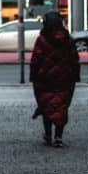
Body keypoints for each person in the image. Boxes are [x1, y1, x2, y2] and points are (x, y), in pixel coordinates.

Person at [29, 12, 80, 147]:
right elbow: (74, 58)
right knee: (61, 107)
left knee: (47, 106)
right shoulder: (67, 39)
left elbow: (36, 59)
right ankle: (58, 137)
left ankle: (48, 135)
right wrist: (75, 75)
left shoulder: (42, 39)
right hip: (64, 79)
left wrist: (33, 76)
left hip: (45, 80)